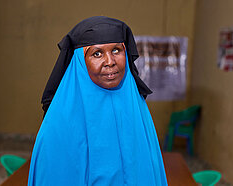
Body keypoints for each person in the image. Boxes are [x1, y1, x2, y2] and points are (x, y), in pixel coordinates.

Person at [28, 16, 168, 186]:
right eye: (97, 53)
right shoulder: (59, 122)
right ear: (80, 61)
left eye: (116, 50)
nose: (110, 62)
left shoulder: (136, 108)